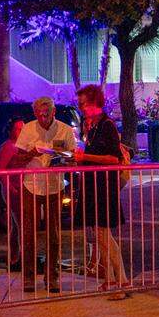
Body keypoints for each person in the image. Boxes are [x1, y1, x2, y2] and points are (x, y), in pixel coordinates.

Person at [72, 84, 130, 300]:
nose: (81, 108)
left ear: (95, 103)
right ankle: (111, 279)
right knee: (100, 235)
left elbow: (113, 158)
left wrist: (85, 158)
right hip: (93, 186)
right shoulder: (93, 127)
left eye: (83, 104)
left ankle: (121, 280)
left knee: (105, 235)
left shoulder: (106, 126)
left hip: (103, 187)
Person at [14, 97, 75, 293]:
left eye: (47, 113)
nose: (44, 117)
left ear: (54, 112)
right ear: (34, 113)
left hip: (55, 185)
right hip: (31, 185)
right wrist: (32, 153)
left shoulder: (64, 130)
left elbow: (72, 156)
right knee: (29, 232)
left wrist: (62, 156)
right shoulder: (28, 128)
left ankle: (52, 277)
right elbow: (18, 156)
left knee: (54, 234)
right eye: (40, 114)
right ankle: (29, 277)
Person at [0, 117, 28, 270]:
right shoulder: (8, 147)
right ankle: (20, 258)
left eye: (23, 128)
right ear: (12, 130)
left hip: (23, 187)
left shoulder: (24, 146)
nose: (22, 131)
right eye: (18, 128)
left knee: (16, 224)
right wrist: (9, 186)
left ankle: (15, 257)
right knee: (21, 223)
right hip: (13, 189)